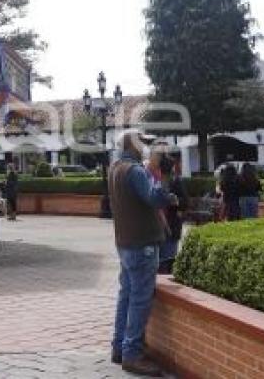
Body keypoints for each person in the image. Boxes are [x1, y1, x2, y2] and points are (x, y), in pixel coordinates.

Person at [109, 132, 177, 377]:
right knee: (140, 299)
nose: (147, 147)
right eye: (144, 142)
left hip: (125, 242)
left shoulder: (116, 167)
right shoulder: (135, 171)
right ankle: (132, 354)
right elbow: (155, 199)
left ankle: (120, 347)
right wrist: (163, 174)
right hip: (142, 244)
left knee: (126, 295)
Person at [158, 154, 187, 274]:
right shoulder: (164, 181)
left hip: (169, 225)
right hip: (166, 225)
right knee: (166, 259)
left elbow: (184, 201)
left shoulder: (173, 181)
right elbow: (185, 201)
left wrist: (175, 203)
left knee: (167, 259)